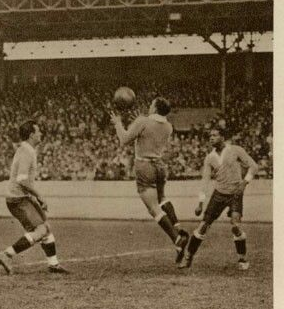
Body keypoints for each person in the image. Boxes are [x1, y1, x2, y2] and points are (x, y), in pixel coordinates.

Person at [110, 97, 189, 263]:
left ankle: (177, 239)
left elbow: (124, 140)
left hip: (144, 166)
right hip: (160, 166)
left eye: (151, 103)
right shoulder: (168, 126)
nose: (149, 105)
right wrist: (139, 121)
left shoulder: (143, 122)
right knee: (162, 198)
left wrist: (118, 123)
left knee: (153, 208)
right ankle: (178, 228)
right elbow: (149, 129)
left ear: (154, 108)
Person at [0, 120, 69, 275]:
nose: (41, 133)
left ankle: (53, 264)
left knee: (45, 228)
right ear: (31, 135)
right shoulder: (27, 152)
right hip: (18, 199)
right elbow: (22, 180)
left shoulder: (26, 150)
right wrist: (40, 196)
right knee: (41, 229)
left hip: (22, 197)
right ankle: (7, 254)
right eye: (38, 131)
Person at [179, 128, 258, 270]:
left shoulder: (236, 150)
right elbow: (205, 181)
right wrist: (200, 203)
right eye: (210, 136)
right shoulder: (210, 158)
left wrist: (244, 182)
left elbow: (254, 166)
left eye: (214, 135)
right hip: (219, 194)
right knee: (203, 226)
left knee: (235, 226)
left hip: (235, 194)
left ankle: (242, 258)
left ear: (222, 137)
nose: (211, 138)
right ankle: (188, 256)